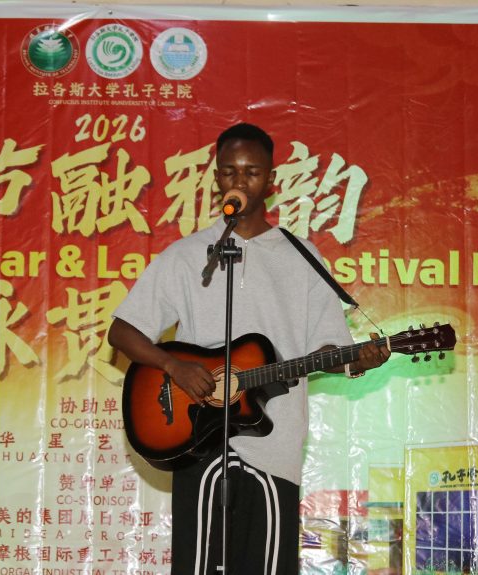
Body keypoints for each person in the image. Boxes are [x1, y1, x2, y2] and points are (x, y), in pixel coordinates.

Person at [108, 123, 389, 574]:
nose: (239, 181)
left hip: (275, 441)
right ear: (216, 177)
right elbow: (123, 331)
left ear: (271, 180)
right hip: (198, 435)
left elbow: (328, 346)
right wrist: (173, 366)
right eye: (229, 171)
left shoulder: (303, 258)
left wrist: (356, 359)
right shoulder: (187, 254)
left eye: (252, 172)